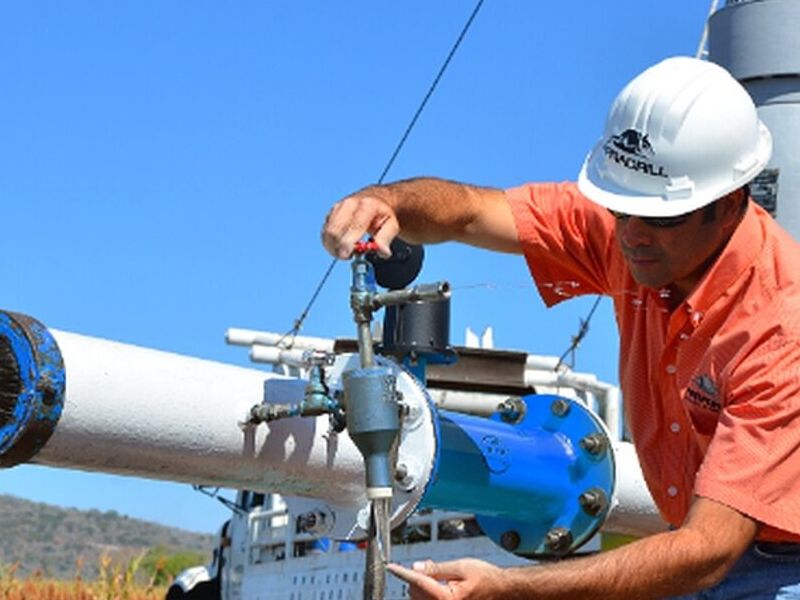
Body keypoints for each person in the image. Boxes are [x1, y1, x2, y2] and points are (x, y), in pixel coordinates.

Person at [322, 56, 800, 599]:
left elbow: (710, 549)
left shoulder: (781, 329)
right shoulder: (634, 231)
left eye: (661, 218)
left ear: (730, 201)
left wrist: (507, 590)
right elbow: (475, 212)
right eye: (620, 208)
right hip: (698, 548)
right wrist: (389, 202)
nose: (633, 235)